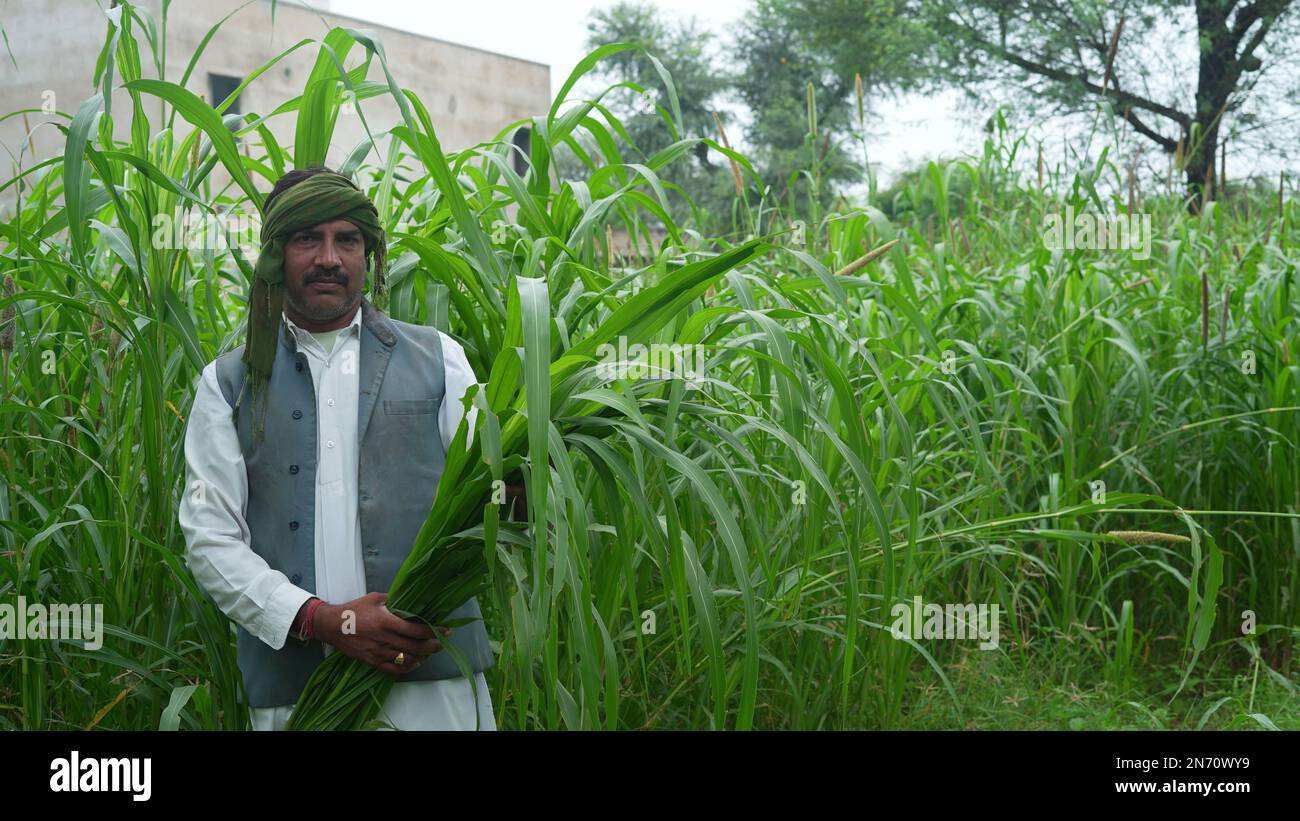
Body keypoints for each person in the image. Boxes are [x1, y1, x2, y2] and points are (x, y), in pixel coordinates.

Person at [178, 166, 495, 730]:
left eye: (347, 239)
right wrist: (321, 620)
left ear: (369, 254)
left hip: (432, 685)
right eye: (308, 238)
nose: (329, 258)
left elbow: (487, 498)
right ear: (275, 254)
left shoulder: (439, 360)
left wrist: (524, 485)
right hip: (297, 696)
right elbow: (211, 539)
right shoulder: (227, 385)